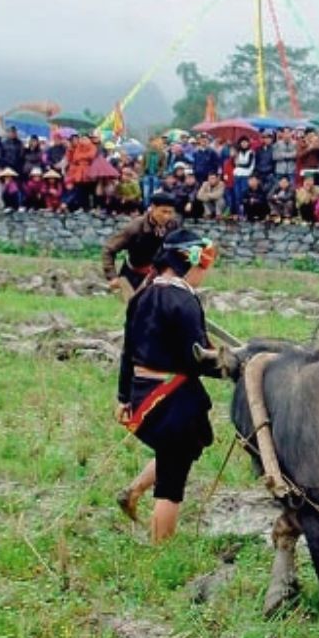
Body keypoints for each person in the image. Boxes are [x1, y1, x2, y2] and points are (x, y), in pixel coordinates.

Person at [114, 229, 221, 543]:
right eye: (204, 263)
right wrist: (230, 368)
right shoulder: (184, 301)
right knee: (173, 480)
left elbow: (127, 351)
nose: (205, 272)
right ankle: (161, 550)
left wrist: (123, 397)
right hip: (172, 397)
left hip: (142, 391)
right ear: (189, 261)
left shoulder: (142, 296)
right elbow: (196, 358)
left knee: (185, 446)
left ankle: (133, 491)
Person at [102, 192, 181, 301]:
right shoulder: (135, 228)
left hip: (159, 276)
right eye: (163, 211)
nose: (166, 216)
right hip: (133, 276)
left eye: (170, 212)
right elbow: (108, 250)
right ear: (153, 208)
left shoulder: (173, 225)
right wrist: (112, 277)